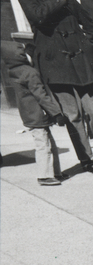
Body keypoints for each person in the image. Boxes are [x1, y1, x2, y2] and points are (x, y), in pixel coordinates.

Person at [12, 0, 93, 171]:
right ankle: (86, 159)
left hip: (81, 59)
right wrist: (57, 0)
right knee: (72, 115)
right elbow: (38, 16)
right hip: (55, 64)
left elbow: (89, 22)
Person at [0, 38, 67, 185]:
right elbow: (41, 95)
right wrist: (56, 113)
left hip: (29, 114)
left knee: (47, 144)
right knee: (44, 145)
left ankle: (55, 173)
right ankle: (44, 176)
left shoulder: (13, 71)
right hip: (38, 115)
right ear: (21, 56)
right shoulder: (30, 72)